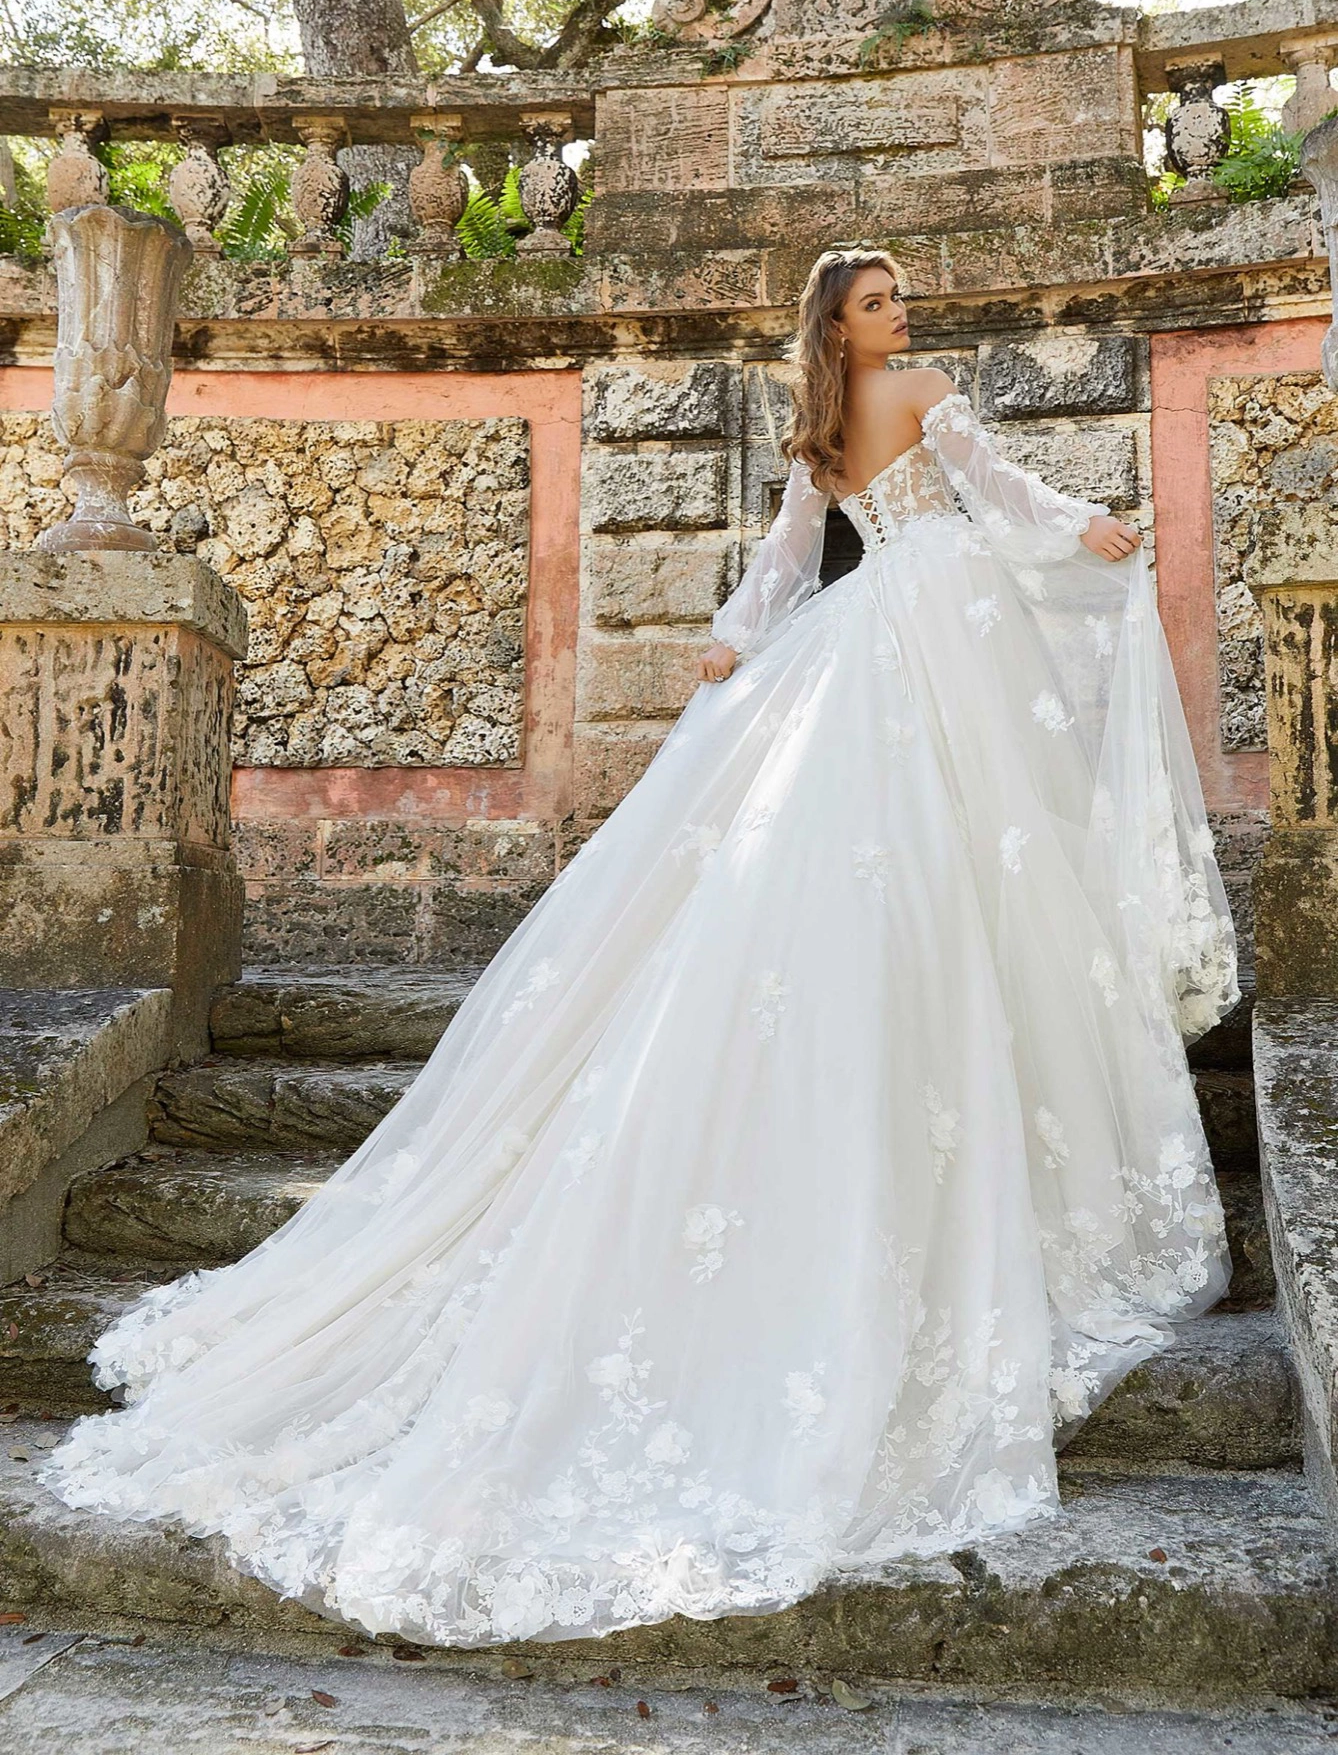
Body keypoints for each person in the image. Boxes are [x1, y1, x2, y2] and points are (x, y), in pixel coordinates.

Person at [40, 245, 1238, 1650]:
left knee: (957, 874)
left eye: (896, 299)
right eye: (875, 302)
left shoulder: (862, 409)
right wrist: (764, 633)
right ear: (837, 328)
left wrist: (781, 624)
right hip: (918, 638)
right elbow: (877, 534)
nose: (900, 315)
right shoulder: (894, 405)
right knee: (914, 873)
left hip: (901, 639)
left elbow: (846, 549)